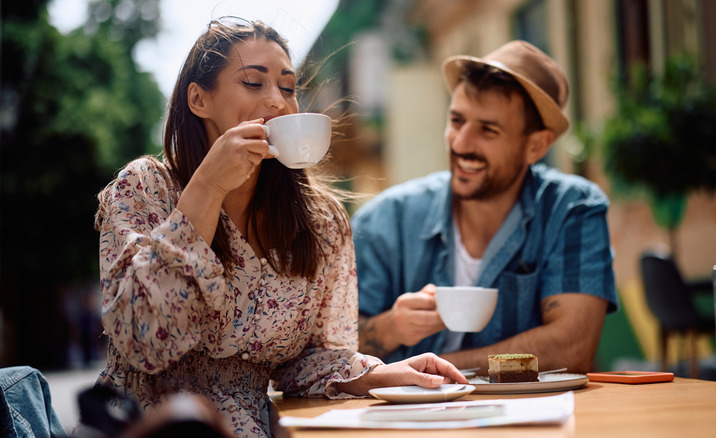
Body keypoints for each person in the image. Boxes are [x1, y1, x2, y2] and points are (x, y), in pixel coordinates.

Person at [92, 18, 465, 438]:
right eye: (254, 83)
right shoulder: (144, 188)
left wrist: (378, 374)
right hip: (147, 426)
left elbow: (311, 359)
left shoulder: (319, 221)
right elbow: (142, 342)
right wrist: (208, 188)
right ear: (199, 100)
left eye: (288, 88)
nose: (277, 102)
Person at [353, 40, 618, 374]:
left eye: (488, 130)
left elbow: (571, 347)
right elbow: (329, 351)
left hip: (532, 422)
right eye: (457, 120)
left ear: (536, 145)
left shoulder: (572, 209)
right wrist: (390, 328)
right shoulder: (383, 221)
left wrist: (437, 369)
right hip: (410, 424)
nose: (462, 143)